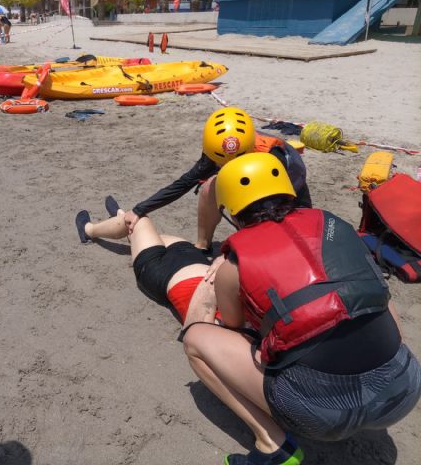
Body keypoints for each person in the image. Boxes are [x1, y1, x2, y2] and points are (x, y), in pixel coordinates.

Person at [182, 152, 421, 464]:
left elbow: (233, 325)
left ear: (231, 211)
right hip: (403, 390)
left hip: (321, 415)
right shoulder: (336, 226)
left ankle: (271, 444)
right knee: (370, 293)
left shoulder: (232, 266)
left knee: (195, 341)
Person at [120, 107, 311, 253]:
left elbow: (283, 205)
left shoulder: (276, 158)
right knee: (209, 187)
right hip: (252, 197)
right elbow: (185, 182)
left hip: (287, 202)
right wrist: (139, 210)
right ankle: (203, 245)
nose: (226, 164)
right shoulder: (215, 151)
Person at [76, 196, 224, 328]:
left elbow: (201, 332)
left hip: (160, 274)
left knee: (138, 221)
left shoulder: (221, 330)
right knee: (140, 229)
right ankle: (120, 218)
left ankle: (89, 230)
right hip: (191, 257)